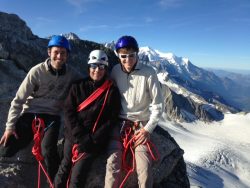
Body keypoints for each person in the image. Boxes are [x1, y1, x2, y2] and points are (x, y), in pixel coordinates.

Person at [0, 35, 82, 182]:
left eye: (63, 53)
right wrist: (9, 127)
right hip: (31, 113)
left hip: (52, 116)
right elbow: (18, 100)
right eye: (56, 52)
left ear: (67, 56)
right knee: (7, 147)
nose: (59, 56)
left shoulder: (72, 74)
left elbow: (86, 83)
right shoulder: (36, 72)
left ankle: (55, 182)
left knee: (47, 151)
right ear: (49, 52)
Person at [53, 50, 121, 188]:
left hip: (93, 141)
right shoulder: (77, 86)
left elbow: (112, 119)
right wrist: (80, 136)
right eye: (94, 66)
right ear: (88, 67)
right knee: (64, 168)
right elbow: (68, 111)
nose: (97, 70)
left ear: (105, 69)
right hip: (74, 136)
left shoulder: (111, 92)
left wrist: (93, 139)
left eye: (101, 67)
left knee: (77, 177)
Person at [105, 36, 163, 188]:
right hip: (120, 123)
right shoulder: (115, 71)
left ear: (137, 54)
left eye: (132, 55)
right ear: (118, 56)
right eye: (123, 56)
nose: (128, 59)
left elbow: (158, 105)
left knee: (144, 168)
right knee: (112, 163)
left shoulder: (149, 73)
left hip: (140, 124)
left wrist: (147, 130)